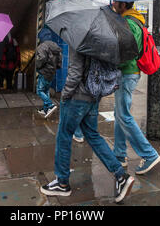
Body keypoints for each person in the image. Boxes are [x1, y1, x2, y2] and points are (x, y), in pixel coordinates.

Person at [40, 46, 135, 203]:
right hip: (93, 95)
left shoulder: (79, 39)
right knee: (93, 136)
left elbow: (75, 72)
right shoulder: (100, 40)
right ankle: (121, 176)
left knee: (64, 136)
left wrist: (65, 95)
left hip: (77, 97)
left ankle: (62, 183)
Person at [112, 0, 160, 175]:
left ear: (123, 4)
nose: (113, 3)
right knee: (119, 113)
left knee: (123, 115)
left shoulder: (128, 23)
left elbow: (127, 52)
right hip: (129, 73)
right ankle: (119, 154)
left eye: (115, 1)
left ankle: (149, 154)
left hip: (127, 73)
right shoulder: (135, 19)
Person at [36, 28, 62, 119]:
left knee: (39, 91)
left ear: (42, 37)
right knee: (46, 90)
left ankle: (50, 105)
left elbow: (41, 59)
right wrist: (56, 67)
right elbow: (59, 60)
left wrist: (38, 66)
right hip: (52, 73)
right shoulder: (55, 45)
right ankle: (45, 109)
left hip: (44, 72)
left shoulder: (42, 46)